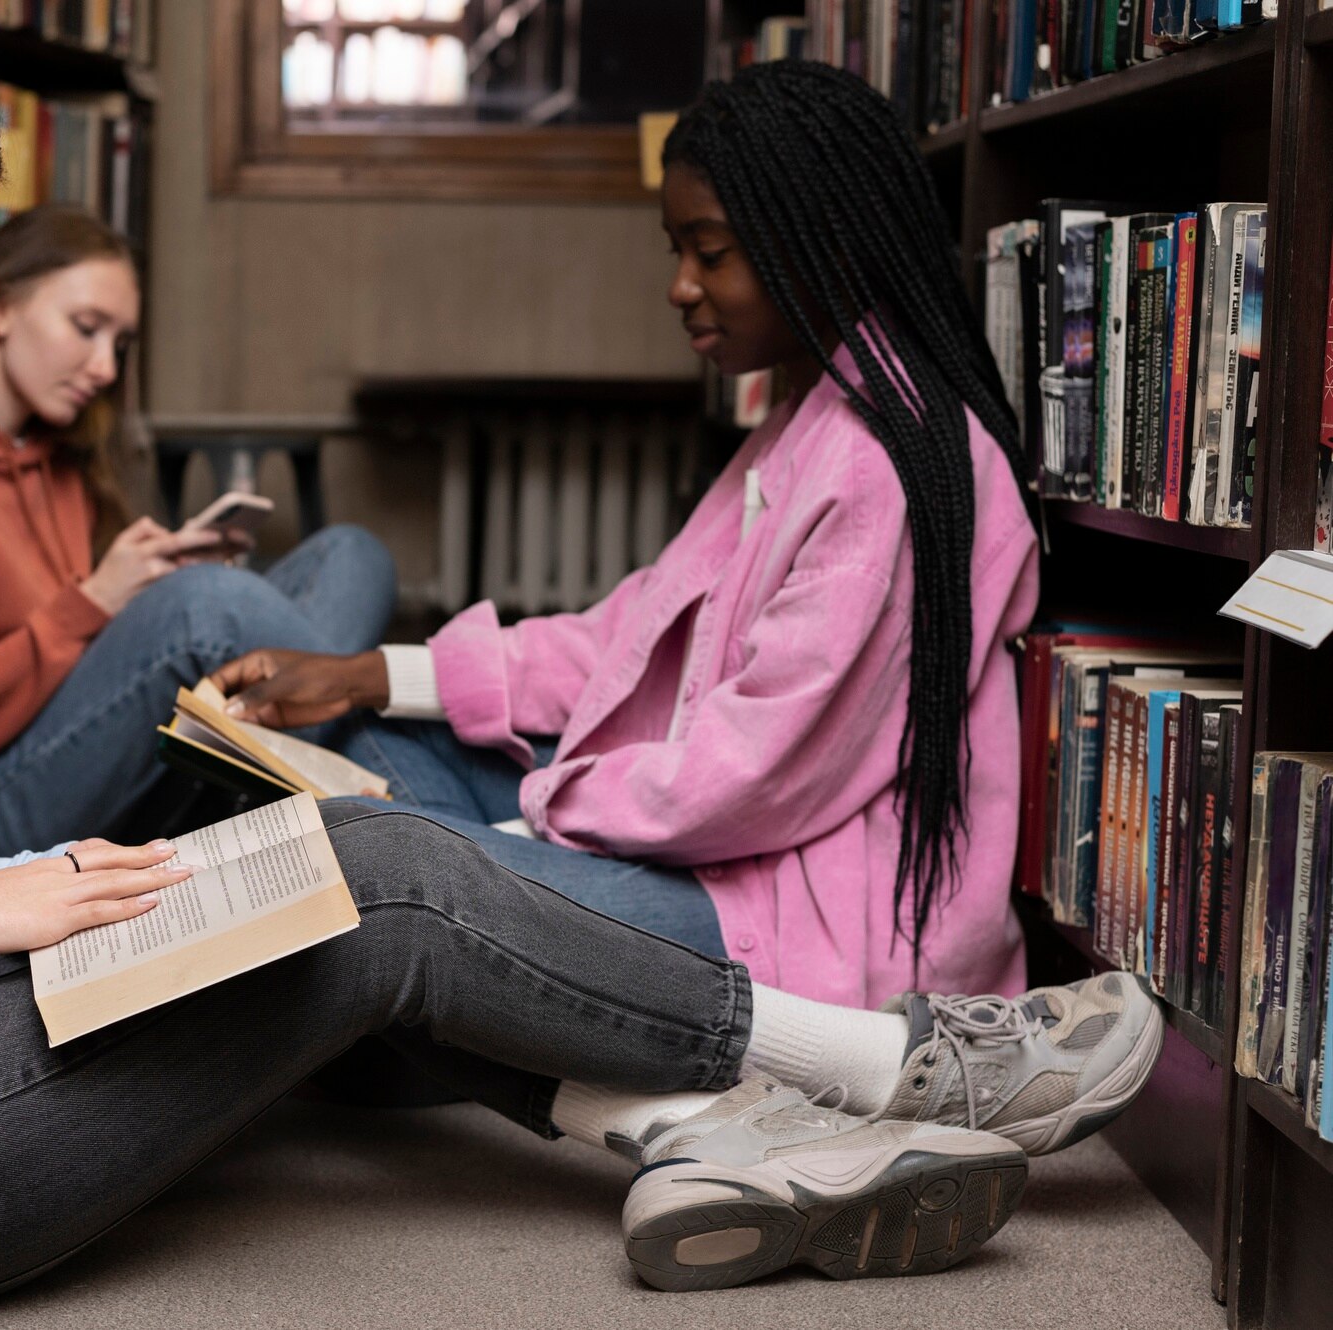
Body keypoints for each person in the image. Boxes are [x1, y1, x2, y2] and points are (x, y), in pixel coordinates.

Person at [0, 24, 1160, 1311]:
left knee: (306, 895)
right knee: (376, 877)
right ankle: (908, 1068)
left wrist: (15, 875)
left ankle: (702, 1123)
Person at [214, 60, 1040, 1013]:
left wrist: (530, 815)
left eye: (711, 251)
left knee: (378, 864)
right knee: (365, 755)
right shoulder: (816, 416)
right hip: (704, 858)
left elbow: (748, 778)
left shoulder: (884, 464)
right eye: (675, 251)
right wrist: (374, 673)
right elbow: (628, 636)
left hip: (793, 932)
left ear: (824, 243)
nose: (681, 287)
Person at [0, 205, 397, 855]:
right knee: (207, 608)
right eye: (85, 328)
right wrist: (102, 599)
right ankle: (396, 802)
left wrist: (145, 587)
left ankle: (299, 776)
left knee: (354, 556)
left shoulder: (66, 461)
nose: (105, 369)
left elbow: (99, 665)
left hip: (98, 756)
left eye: (119, 345)